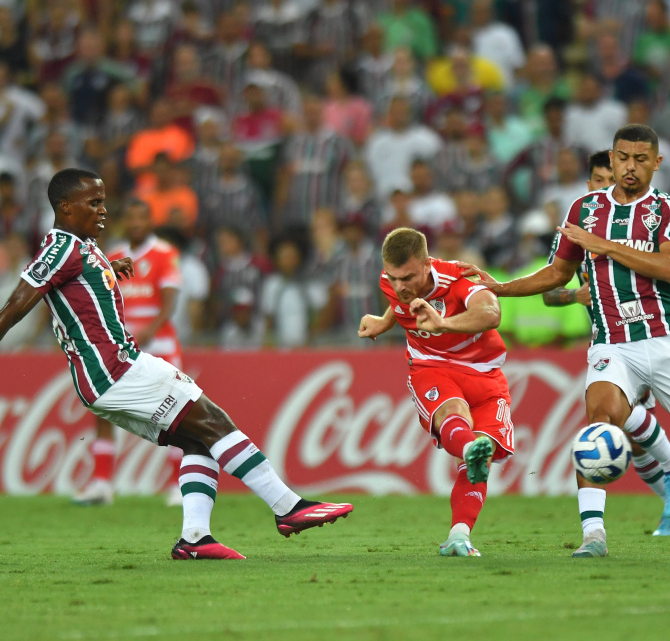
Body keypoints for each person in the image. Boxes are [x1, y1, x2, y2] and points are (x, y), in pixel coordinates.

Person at [0, 169, 353, 560]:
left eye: (104, 201)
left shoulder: (82, 246)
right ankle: (288, 507)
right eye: (93, 203)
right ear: (65, 207)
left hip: (106, 376)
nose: (103, 211)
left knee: (198, 440)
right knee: (215, 422)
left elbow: (77, 279)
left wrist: (108, 269)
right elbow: (17, 304)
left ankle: (195, 539)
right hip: (118, 368)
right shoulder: (59, 248)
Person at [463, 124, 670, 558]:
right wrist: (500, 287)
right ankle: (594, 536)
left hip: (666, 339)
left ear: (657, 163)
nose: (631, 167)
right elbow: (557, 273)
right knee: (599, 424)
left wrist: (605, 247)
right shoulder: (583, 210)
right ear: (611, 159)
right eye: (623, 158)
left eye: (641, 159)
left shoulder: (669, 209)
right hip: (612, 344)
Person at [542, 149, 670, 536]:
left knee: (625, 432)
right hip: (608, 340)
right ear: (591, 186)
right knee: (628, 438)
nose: (611, 187)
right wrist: (576, 295)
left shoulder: (650, 220)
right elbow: (550, 293)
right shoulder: (583, 221)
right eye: (602, 182)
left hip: (651, 335)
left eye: (614, 179)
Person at [357, 228, 513, 558]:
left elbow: (491, 313)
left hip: (485, 374)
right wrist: (383, 323)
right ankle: (470, 445)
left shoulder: (459, 277)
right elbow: (399, 304)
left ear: (428, 264)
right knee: (454, 416)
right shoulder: (390, 281)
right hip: (431, 366)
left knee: (478, 460)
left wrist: (444, 324)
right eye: (394, 277)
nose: (400, 286)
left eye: (408, 277)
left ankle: (459, 536)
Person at [73, 199, 186, 507]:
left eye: (141, 217)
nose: (135, 223)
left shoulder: (165, 253)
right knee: (104, 410)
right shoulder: (112, 257)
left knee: (173, 413)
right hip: (121, 347)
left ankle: (180, 485)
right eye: (130, 217)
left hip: (159, 344)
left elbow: (169, 303)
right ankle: (101, 485)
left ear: (150, 221)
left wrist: (150, 329)